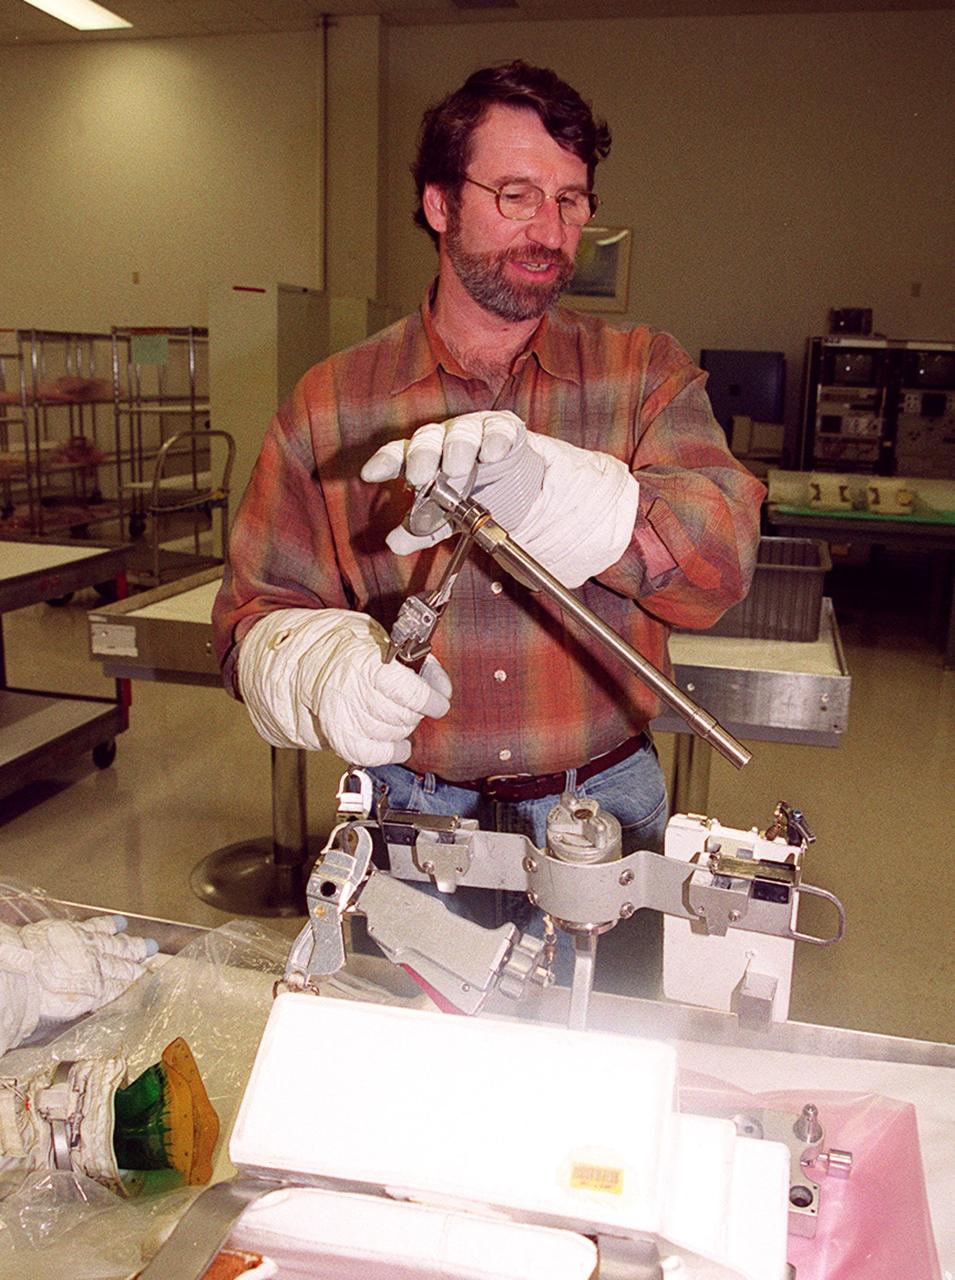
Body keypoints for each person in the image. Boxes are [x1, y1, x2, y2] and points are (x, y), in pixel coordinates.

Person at [212, 60, 765, 987]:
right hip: (414, 821)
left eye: (571, 200)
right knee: (426, 1101)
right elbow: (249, 616)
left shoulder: (644, 375)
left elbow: (718, 569)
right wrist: (319, 668)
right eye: (515, 194)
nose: (550, 232)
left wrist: (559, 497)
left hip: (607, 818)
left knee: (601, 1103)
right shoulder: (334, 400)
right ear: (438, 203)